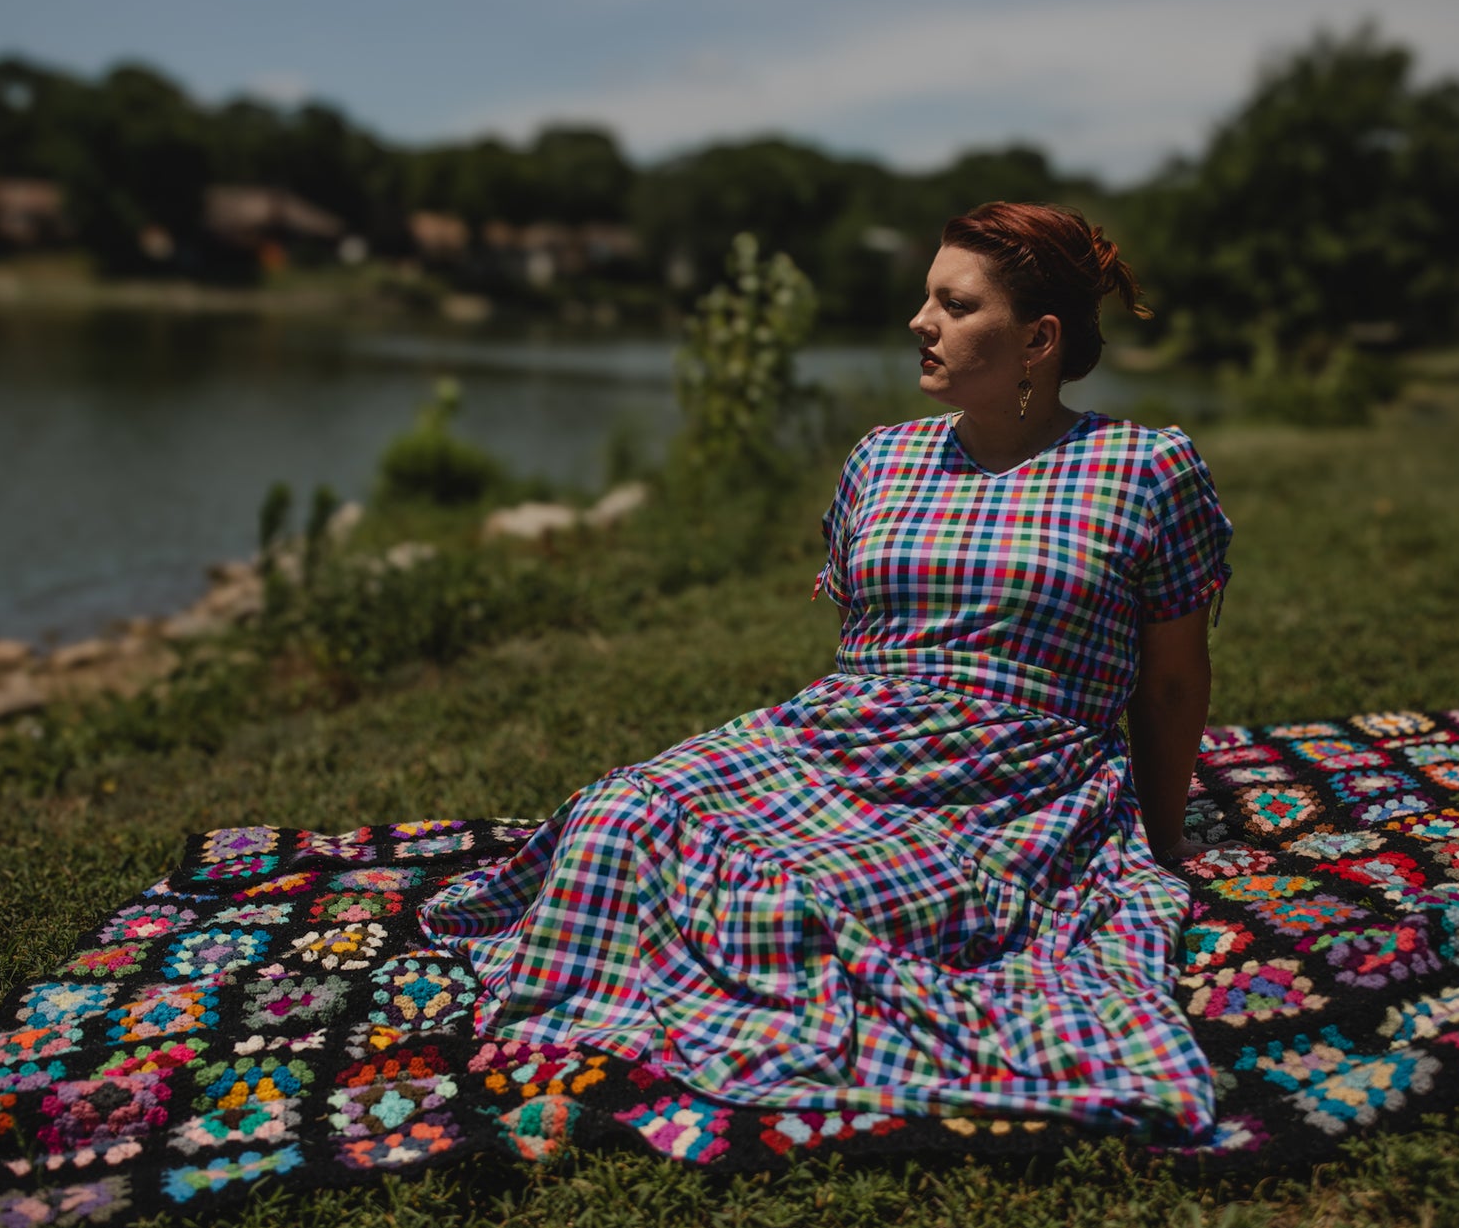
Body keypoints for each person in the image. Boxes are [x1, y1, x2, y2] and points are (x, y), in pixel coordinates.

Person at [420, 202, 1232, 1137]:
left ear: (1039, 338)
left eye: (953, 304)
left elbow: (1171, 684)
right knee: (616, 818)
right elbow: (863, 642)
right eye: (927, 296)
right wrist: (808, 785)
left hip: (1012, 782)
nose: (918, 322)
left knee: (800, 906)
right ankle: (615, 997)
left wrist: (1158, 843)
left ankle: (740, 995)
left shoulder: (1143, 467)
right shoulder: (880, 459)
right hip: (846, 737)